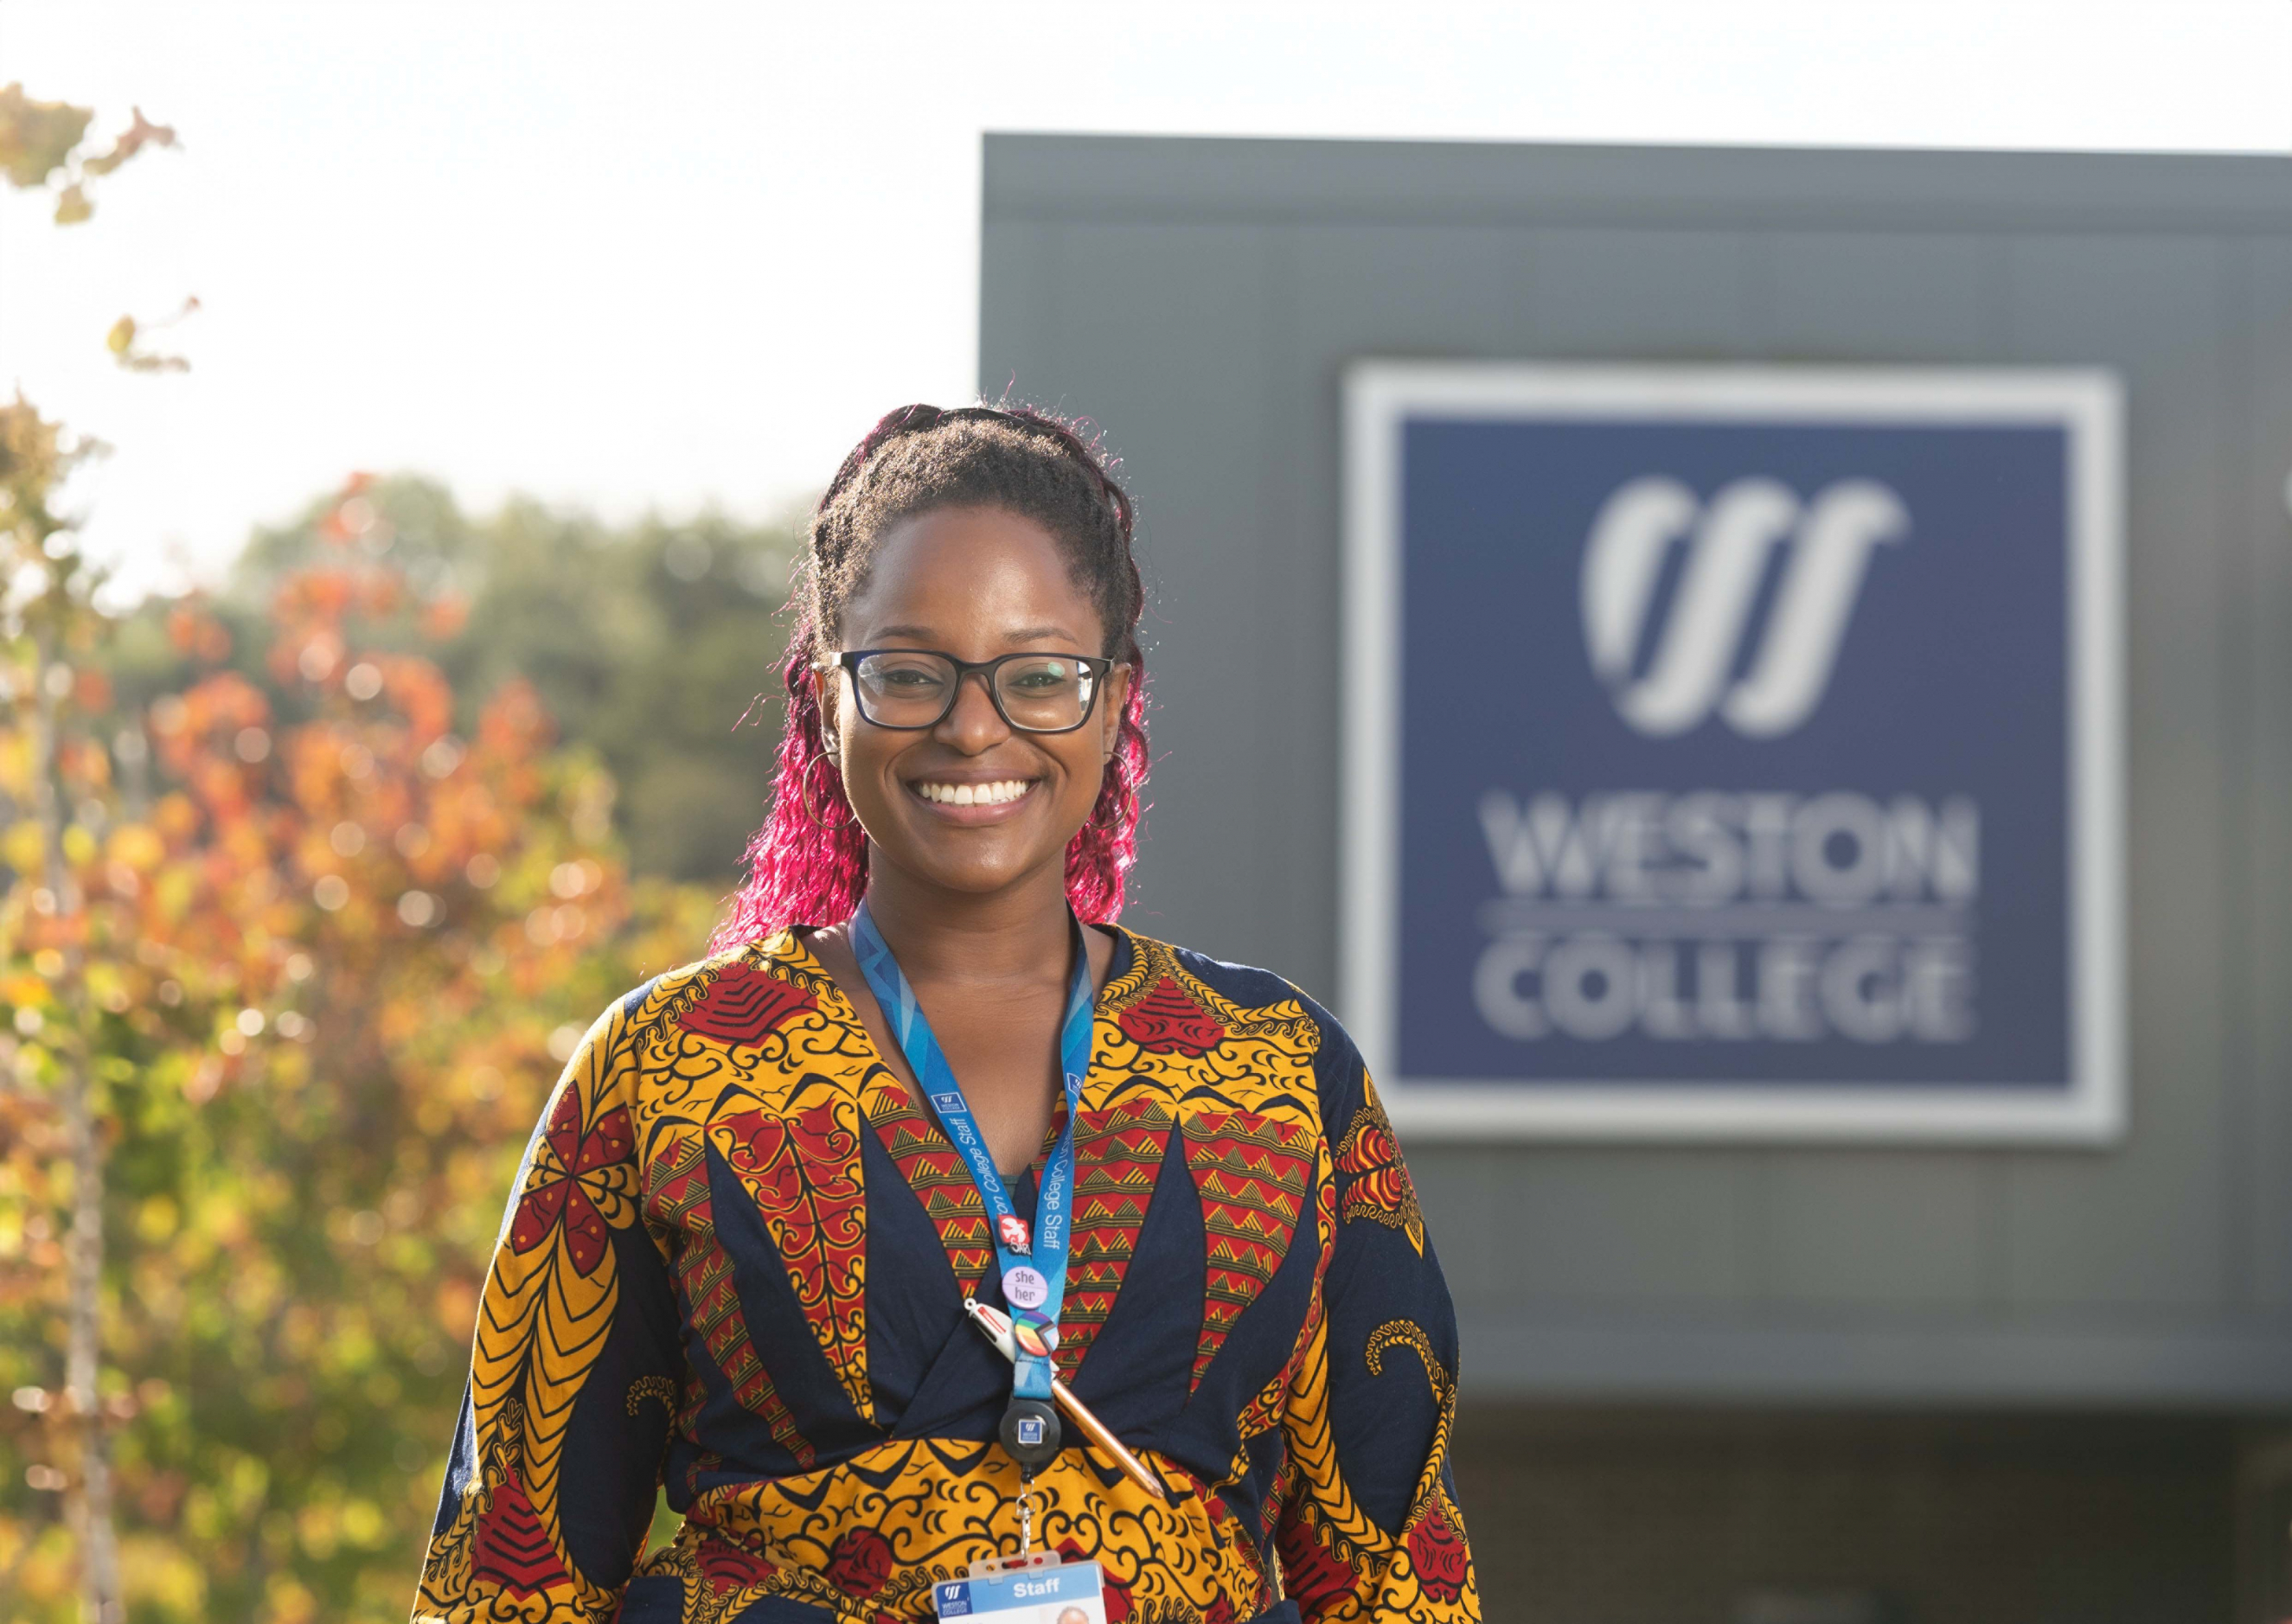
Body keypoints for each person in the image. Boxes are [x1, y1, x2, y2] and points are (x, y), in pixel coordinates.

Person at [411, 405, 1477, 1623]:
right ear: (823, 695)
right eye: (910, 673)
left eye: (1037, 674)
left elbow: (1397, 1574)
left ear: (1115, 695)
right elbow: (509, 1577)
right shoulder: (671, 1065)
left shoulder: (1283, 1070)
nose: (975, 726)